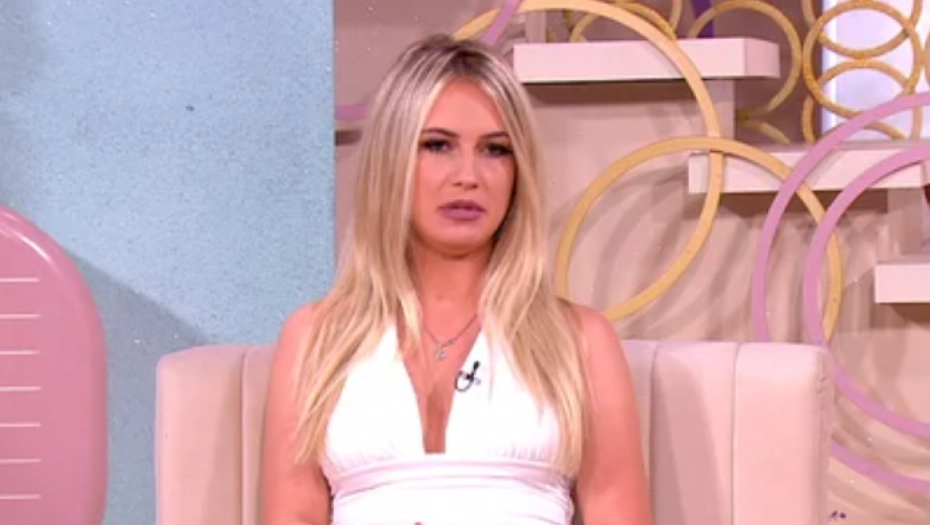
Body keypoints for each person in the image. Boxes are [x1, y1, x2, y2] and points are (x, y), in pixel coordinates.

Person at [261, 33, 652, 525]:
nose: (468, 175)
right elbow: (292, 514)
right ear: (392, 159)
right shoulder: (315, 337)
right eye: (438, 145)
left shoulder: (581, 340)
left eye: (495, 150)